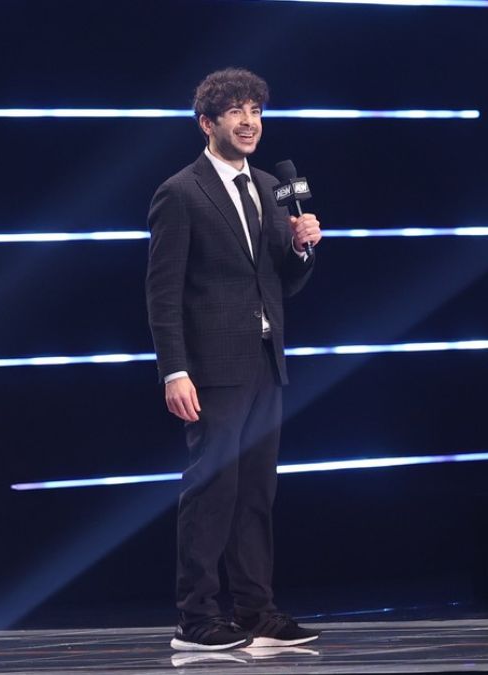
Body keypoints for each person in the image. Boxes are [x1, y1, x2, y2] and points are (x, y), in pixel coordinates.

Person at [145, 67, 323, 652]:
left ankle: (256, 611)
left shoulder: (270, 186)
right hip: (212, 367)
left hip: (266, 360)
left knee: (255, 493)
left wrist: (302, 249)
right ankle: (195, 618)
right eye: (236, 112)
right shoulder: (181, 192)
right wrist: (175, 370)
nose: (249, 122)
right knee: (212, 489)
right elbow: (163, 292)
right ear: (208, 123)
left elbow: (280, 282)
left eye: (256, 111)